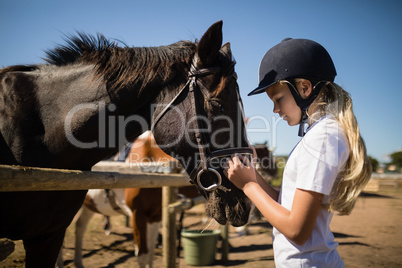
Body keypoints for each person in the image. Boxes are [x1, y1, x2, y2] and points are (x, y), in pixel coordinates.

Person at [224, 38, 372, 267]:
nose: (275, 110)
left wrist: (248, 187)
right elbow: (283, 206)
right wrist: (252, 176)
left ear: (304, 88)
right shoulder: (316, 135)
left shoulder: (323, 138)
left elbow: (296, 229)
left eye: (278, 99)